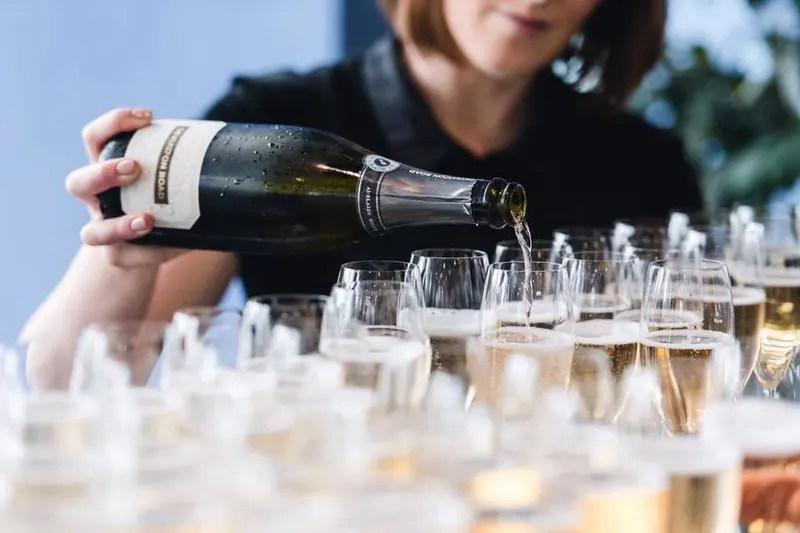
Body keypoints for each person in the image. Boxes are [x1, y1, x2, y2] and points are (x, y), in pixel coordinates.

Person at [24, 0, 700, 383]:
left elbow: (677, 395)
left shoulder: (643, 163)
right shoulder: (274, 122)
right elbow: (60, 378)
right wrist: (123, 261)